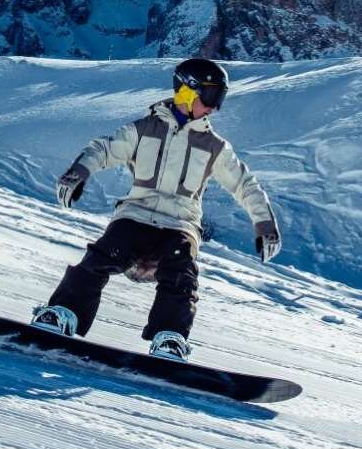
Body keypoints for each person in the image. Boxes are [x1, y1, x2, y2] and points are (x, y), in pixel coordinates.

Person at [32, 57, 280, 361]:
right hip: (136, 216)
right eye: (211, 96)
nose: (214, 107)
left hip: (179, 225)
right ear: (187, 91)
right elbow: (104, 149)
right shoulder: (144, 130)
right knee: (103, 253)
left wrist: (264, 223)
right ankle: (63, 312)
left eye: (220, 98)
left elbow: (244, 184)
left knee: (182, 271)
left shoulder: (214, 146)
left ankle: (170, 337)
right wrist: (79, 172)